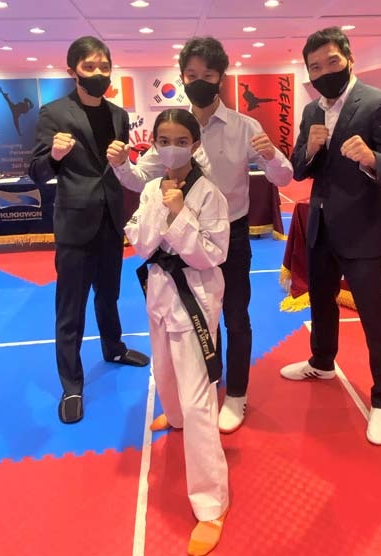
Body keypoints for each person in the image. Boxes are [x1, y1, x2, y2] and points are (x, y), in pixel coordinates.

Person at [107, 37, 293, 433]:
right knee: (195, 321)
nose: (199, 82)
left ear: (221, 78)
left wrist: (272, 155)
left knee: (235, 316)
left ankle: (237, 395)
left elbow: (283, 178)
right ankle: (204, 391)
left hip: (230, 236)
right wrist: (121, 165)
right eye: (191, 75)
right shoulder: (177, 126)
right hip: (180, 239)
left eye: (207, 75)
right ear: (182, 78)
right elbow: (141, 179)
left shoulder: (244, 127)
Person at [279, 27, 381, 445]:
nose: (323, 72)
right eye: (314, 67)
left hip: (363, 229)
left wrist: (371, 158)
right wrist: (310, 150)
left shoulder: (378, 103)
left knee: (374, 315)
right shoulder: (311, 111)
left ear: (350, 59)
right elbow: (299, 169)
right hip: (320, 225)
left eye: (331, 62)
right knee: (321, 302)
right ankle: (321, 362)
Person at [29, 36, 149, 424]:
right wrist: (55, 155)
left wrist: (124, 159)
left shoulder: (118, 115)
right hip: (75, 225)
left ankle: (113, 348)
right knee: (71, 308)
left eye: (104, 66)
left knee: (109, 295)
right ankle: (71, 384)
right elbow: (35, 172)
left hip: (111, 219)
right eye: (90, 66)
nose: (98, 73)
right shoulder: (54, 113)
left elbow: (117, 168)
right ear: (73, 71)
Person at [126, 108, 229, 556]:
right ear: (154, 144)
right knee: (164, 370)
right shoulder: (151, 188)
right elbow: (139, 242)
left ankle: (211, 505)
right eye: (163, 140)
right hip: (159, 291)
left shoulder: (209, 194)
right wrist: (161, 213)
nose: (171, 148)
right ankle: (175, 415)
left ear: (195, 144)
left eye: (181, 141)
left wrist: (179, 213)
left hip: (195, 298)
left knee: (199, 399)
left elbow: (212, 255)